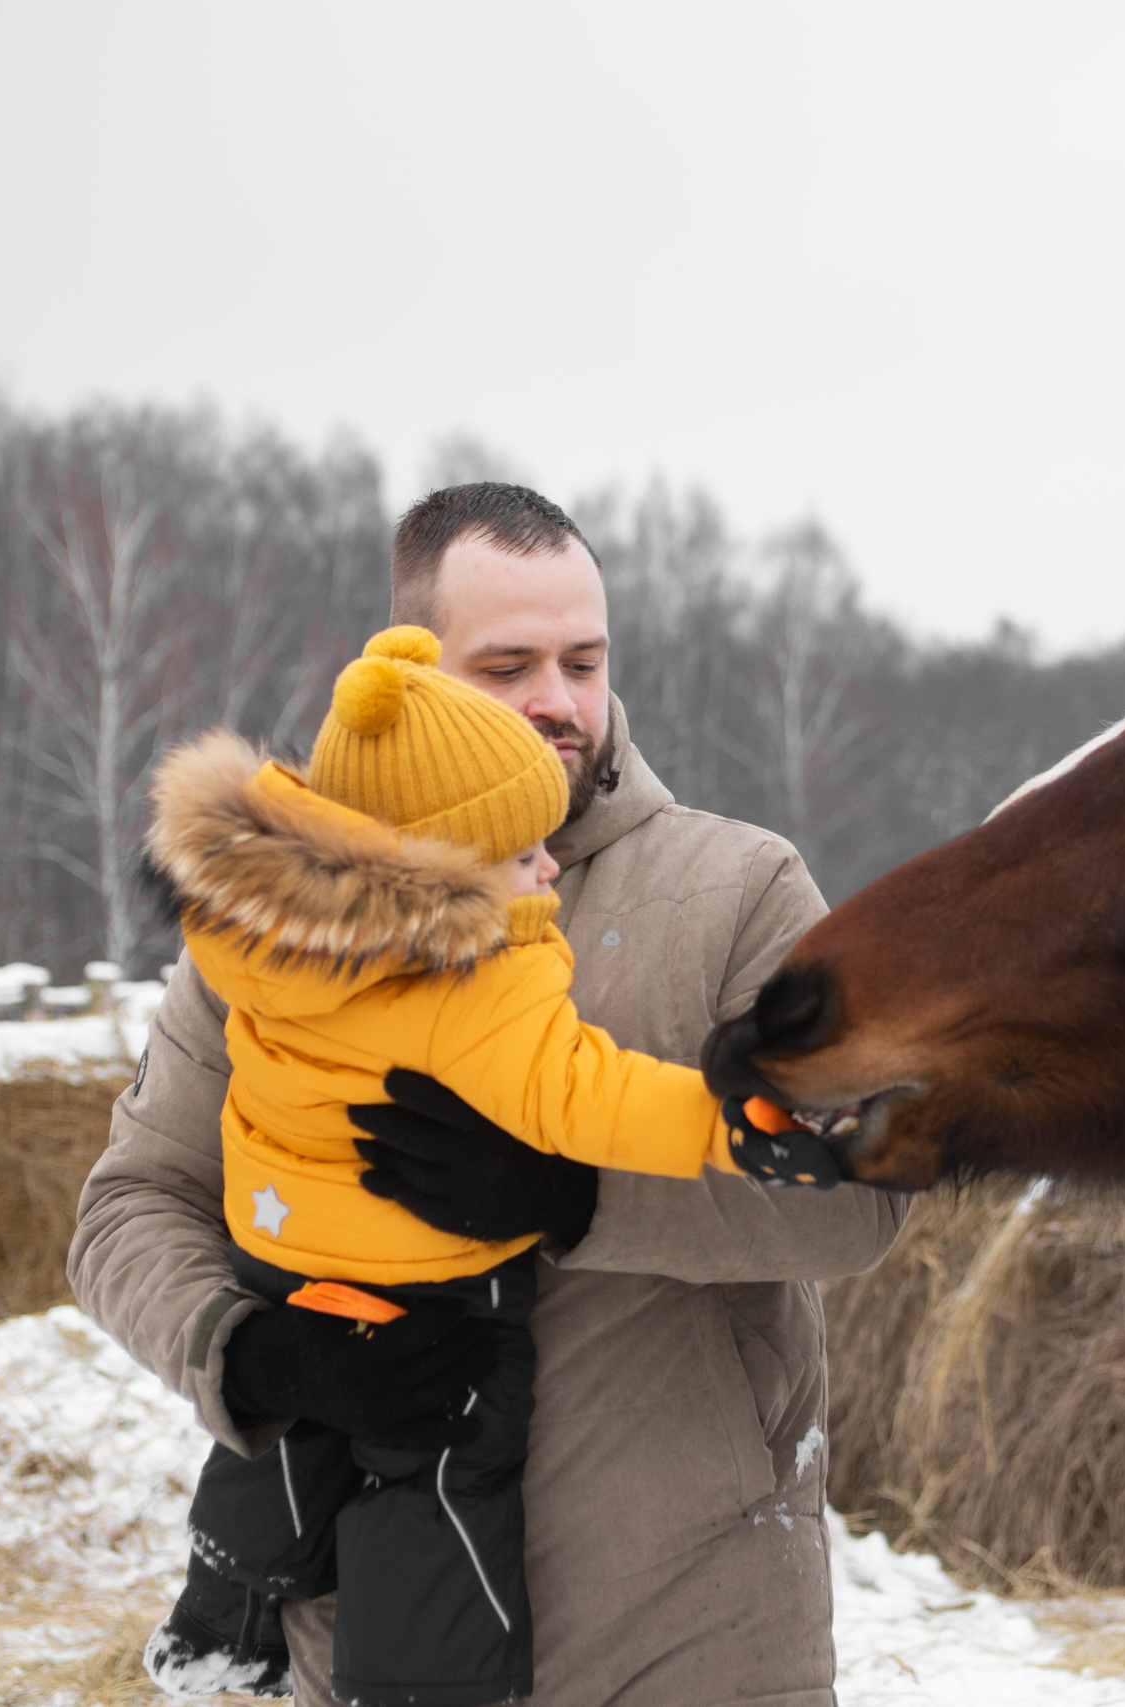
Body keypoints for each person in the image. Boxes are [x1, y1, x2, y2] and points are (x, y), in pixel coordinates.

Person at [70, 483, 908, 1706]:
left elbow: (859, 1202)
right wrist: (263, 1360)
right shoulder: (283, 926)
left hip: (693, 1633)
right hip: (374, 1637)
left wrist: (579, 1195)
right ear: (414, 673)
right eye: (507, 665)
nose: (556, 702)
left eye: (583, 660)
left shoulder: (740, 890)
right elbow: (130, 1207)